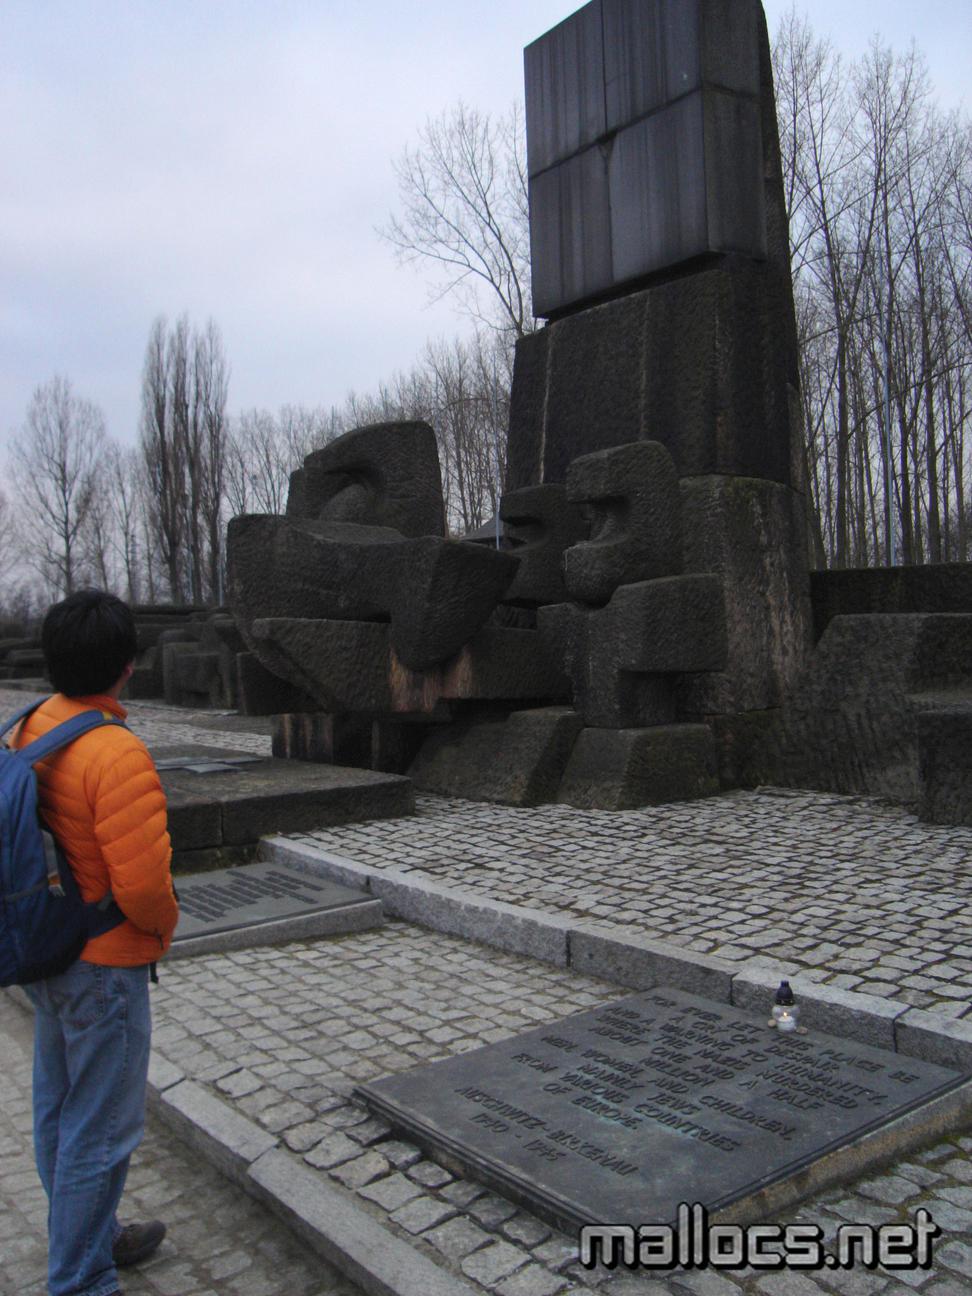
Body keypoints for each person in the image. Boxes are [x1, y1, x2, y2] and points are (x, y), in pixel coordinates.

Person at [12, 590, 180, 1296]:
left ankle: (91, 1232)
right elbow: (142, 885)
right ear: (126, 666)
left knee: (58, 1107)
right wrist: (164, 928)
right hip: (104, 966)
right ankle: (82, 1278)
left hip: (47, 949)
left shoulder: (29, 726)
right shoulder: (115, 752)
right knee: (102, 1129)